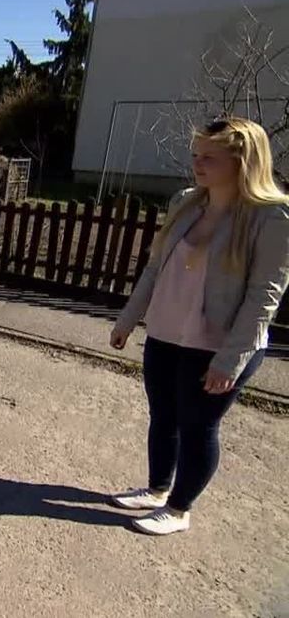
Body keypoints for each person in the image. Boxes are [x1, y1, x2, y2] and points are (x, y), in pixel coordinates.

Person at [109, 116, 289, 536]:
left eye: (210, 157)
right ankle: (156, 490)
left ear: (243, 162)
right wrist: (128, 319)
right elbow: (155, 269)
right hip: (168, 333)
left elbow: (265, 296)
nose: (198, 164)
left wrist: (230, 360)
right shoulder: (186, 202)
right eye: (196, 155)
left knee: (198, 425)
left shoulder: (272, 219)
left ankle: (178, 509)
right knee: (163, 416)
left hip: (220, 346)